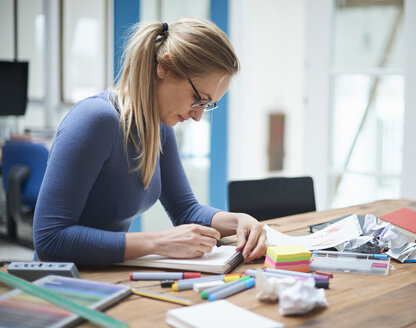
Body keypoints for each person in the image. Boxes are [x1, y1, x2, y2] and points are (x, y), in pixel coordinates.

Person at [33, 17, 267, 266]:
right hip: (59, 284)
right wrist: (158, 243)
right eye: (198, 99)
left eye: (208, 105)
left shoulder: (159, 126)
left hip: (106, 274)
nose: (198, 116)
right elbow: (50, 239)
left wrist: (240, 221)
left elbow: (185, 211)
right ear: (164, 67)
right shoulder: (96, 120)